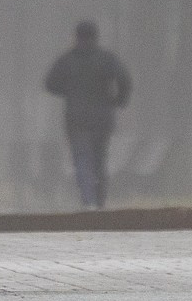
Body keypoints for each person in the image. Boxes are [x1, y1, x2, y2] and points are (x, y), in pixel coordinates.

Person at [43, 21, 131, 210]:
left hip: (76, 118)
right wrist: (118, 100)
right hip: (102, 118)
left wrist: (67, 91)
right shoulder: (107, 59)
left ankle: (87, 199)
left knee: (82, 159)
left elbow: (50, 83)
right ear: (96, 36)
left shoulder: (67, 60)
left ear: (76, 36)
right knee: (100, 160)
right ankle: (100, 202)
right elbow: (124, 79)